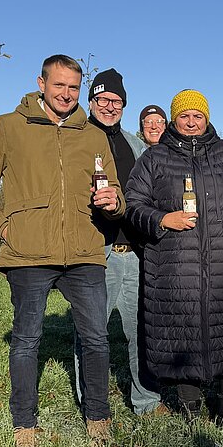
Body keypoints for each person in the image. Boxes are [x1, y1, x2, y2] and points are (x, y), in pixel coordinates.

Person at [0, 54, 124, 447]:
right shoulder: (8, 127)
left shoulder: (92, 134)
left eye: (73, 87)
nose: (66, 94)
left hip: (85, 250)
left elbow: (116, 193)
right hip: (28, 253)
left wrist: (113, 202)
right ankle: (24, 424)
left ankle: (98, 417)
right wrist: (3, 228)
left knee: (97, 340)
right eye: (59, 85)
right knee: (26, 341)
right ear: (41, 83)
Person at [124, 89, 223, 428]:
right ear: (174, 119)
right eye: (185, 116)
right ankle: (190, 407)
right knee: (182, 331)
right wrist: (162, 220)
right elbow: (133, 204)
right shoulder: (155, 159)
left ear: (207, 118)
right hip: (173, 263)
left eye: (198, 116)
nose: (192, 121)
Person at [70, 68, 164, 416]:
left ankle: (146, 399)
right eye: (104, 99)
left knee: (141, 329)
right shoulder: (76, 138)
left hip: (134, 252)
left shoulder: (134, 143)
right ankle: (92, 403)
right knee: (91, 333)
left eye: (117, 101)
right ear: (91, 100)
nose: (110, 106)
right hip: (96, 253)